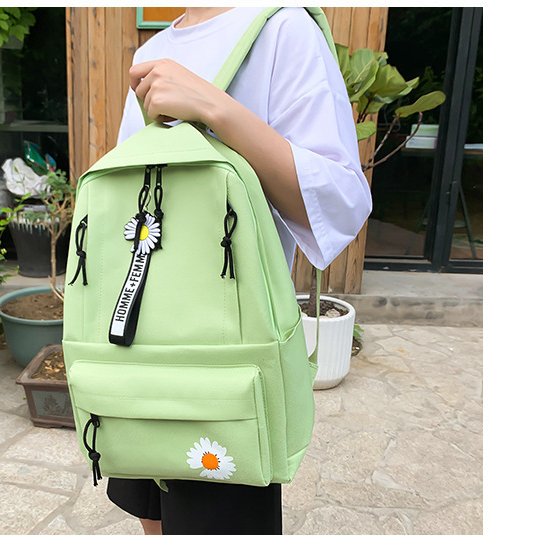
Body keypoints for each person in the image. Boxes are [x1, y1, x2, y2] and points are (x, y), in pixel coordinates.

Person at [107, 7, 372, 535]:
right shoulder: (152, 49)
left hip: (225, 351)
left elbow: (341, 202)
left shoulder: (282, 29)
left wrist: (215, 107)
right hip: (136, 338)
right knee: (151, 512)